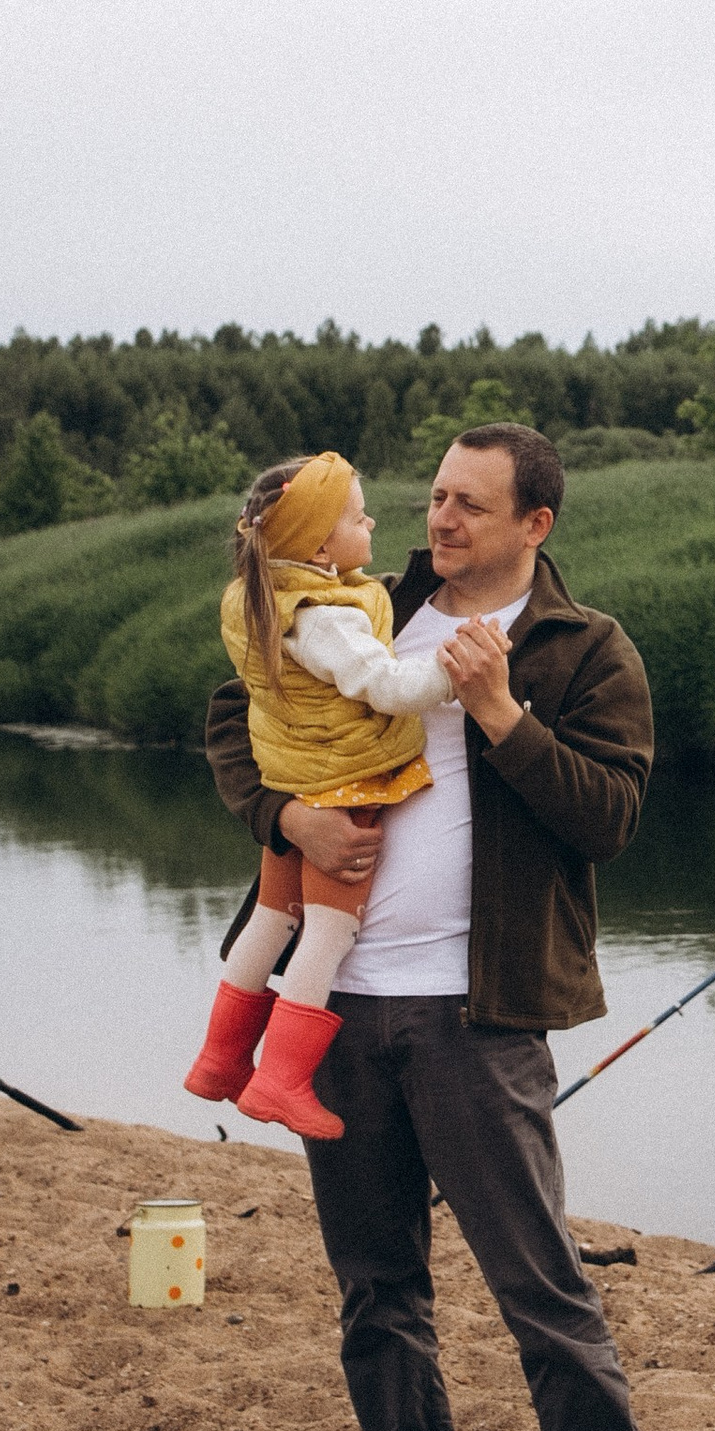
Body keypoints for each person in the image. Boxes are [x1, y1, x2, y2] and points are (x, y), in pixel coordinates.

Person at [203, 422, 660, 1431]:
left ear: (534, 525)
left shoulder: (582, 649)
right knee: (375, 1280)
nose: (440, 521)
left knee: (535, 1277)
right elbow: (231, 714)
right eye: (435, 498)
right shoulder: (354, 608)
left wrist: (505, 718)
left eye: (471, 505)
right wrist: (283, 819)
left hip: (479, 1012)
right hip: (335, 1008)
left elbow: (607, 816)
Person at [185, 452, 478, 1139]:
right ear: (318, 544)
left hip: (295, 779)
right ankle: (282, 1079)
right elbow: (388, 688)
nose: (371, 518)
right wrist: (453, 670)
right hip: (344, 785)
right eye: (356, 514)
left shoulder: (264, 596)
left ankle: (220, 1060)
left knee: (272, 917)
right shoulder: (328, 617)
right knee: (329, 930)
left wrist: (283, 811)